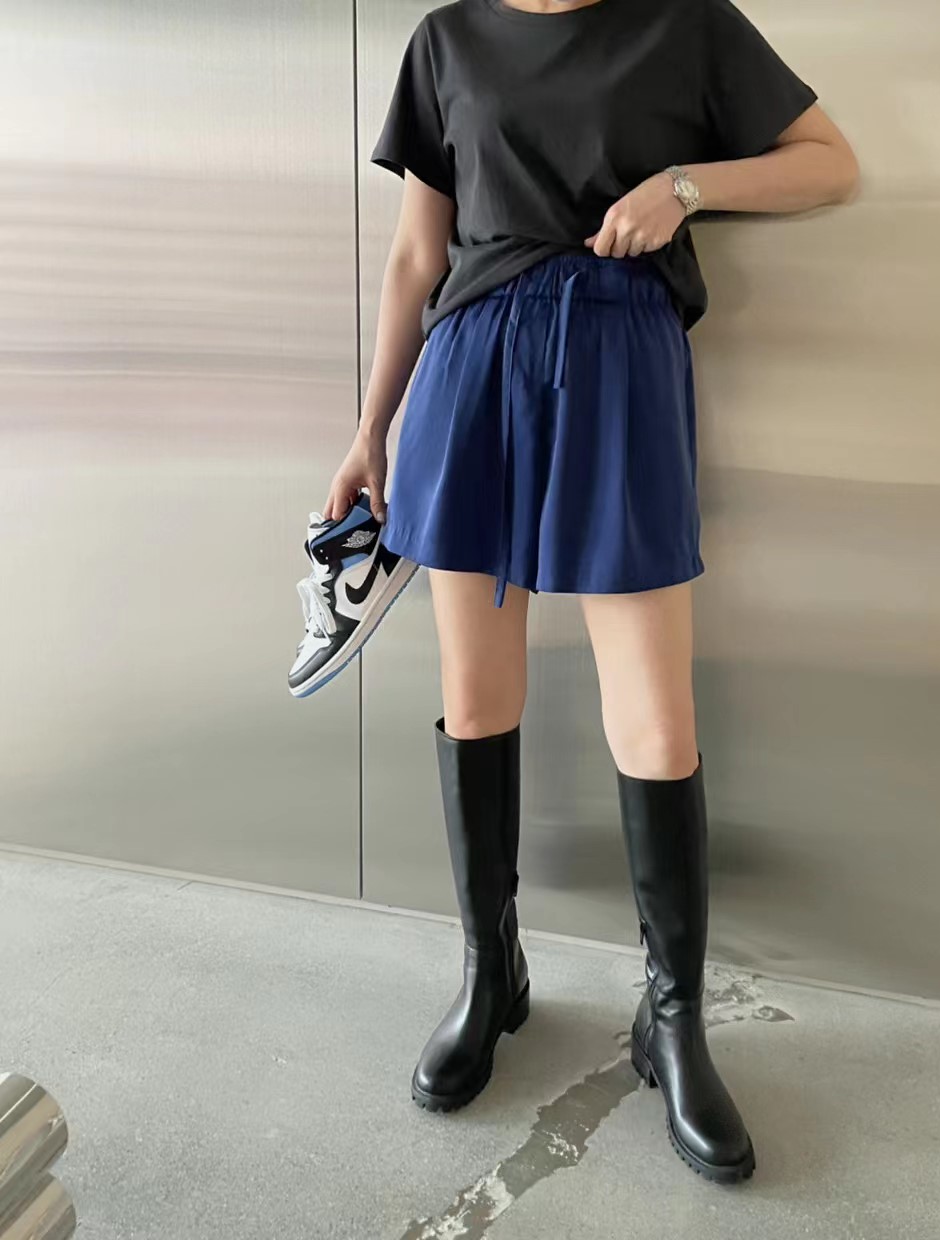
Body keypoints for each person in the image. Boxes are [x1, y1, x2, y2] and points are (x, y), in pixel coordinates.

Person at [323, 0, 858, 1185]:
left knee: (657, 720)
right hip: (469, 371)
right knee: (478, 697)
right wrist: (369, 430)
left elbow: (830, 162)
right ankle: (493, 974)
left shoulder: (683, 24)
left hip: (621, 364)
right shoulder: (446, 40)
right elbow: (417, 254)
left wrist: (686, 187)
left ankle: (672, 1020)